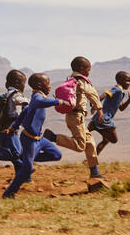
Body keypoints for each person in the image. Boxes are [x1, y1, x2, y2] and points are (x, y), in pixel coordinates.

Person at [0, 69, 60, 170]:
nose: (24, 86)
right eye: (23, 83)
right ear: (17, 83)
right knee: (16, 153)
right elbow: (25, 102)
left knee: (10, 150)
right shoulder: (15, 94)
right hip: (9, 129)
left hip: (1, 128)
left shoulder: (7, 94)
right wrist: (37, 102)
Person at [43, 56, 106, 187]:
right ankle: (53, 137)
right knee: (80, 146)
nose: (89, 72)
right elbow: (92, 94)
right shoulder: (81, 81)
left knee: (90, 144)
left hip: (76, 117)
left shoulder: (71, 80)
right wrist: (99, 109)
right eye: (88, 69)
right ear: (82, 69)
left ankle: (94, 172)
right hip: (76, 117)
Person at [3, 73, 61, 199]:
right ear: (40, 85)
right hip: (29, 139)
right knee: (26, 169)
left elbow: (25, 111)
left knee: (56, 155)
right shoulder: (37, 97)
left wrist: (13, 127)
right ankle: (8, 194)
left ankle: (27, 157)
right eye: (48, 83)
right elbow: (41, 102)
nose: (50, 87)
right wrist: (59, 101)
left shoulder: (36, 99)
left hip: (40, 139)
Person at [89, 71, 130, 156]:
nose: (129, 83)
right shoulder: (118, 89)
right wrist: (95, 104)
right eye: (127, 81)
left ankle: (92, 159)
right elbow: (106, 94)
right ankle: (94, 127)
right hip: (104, 118)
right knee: (114, 139)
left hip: (102, 118)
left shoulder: (121, 93)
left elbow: (121, 108)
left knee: (106, 140)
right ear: (120, 80)